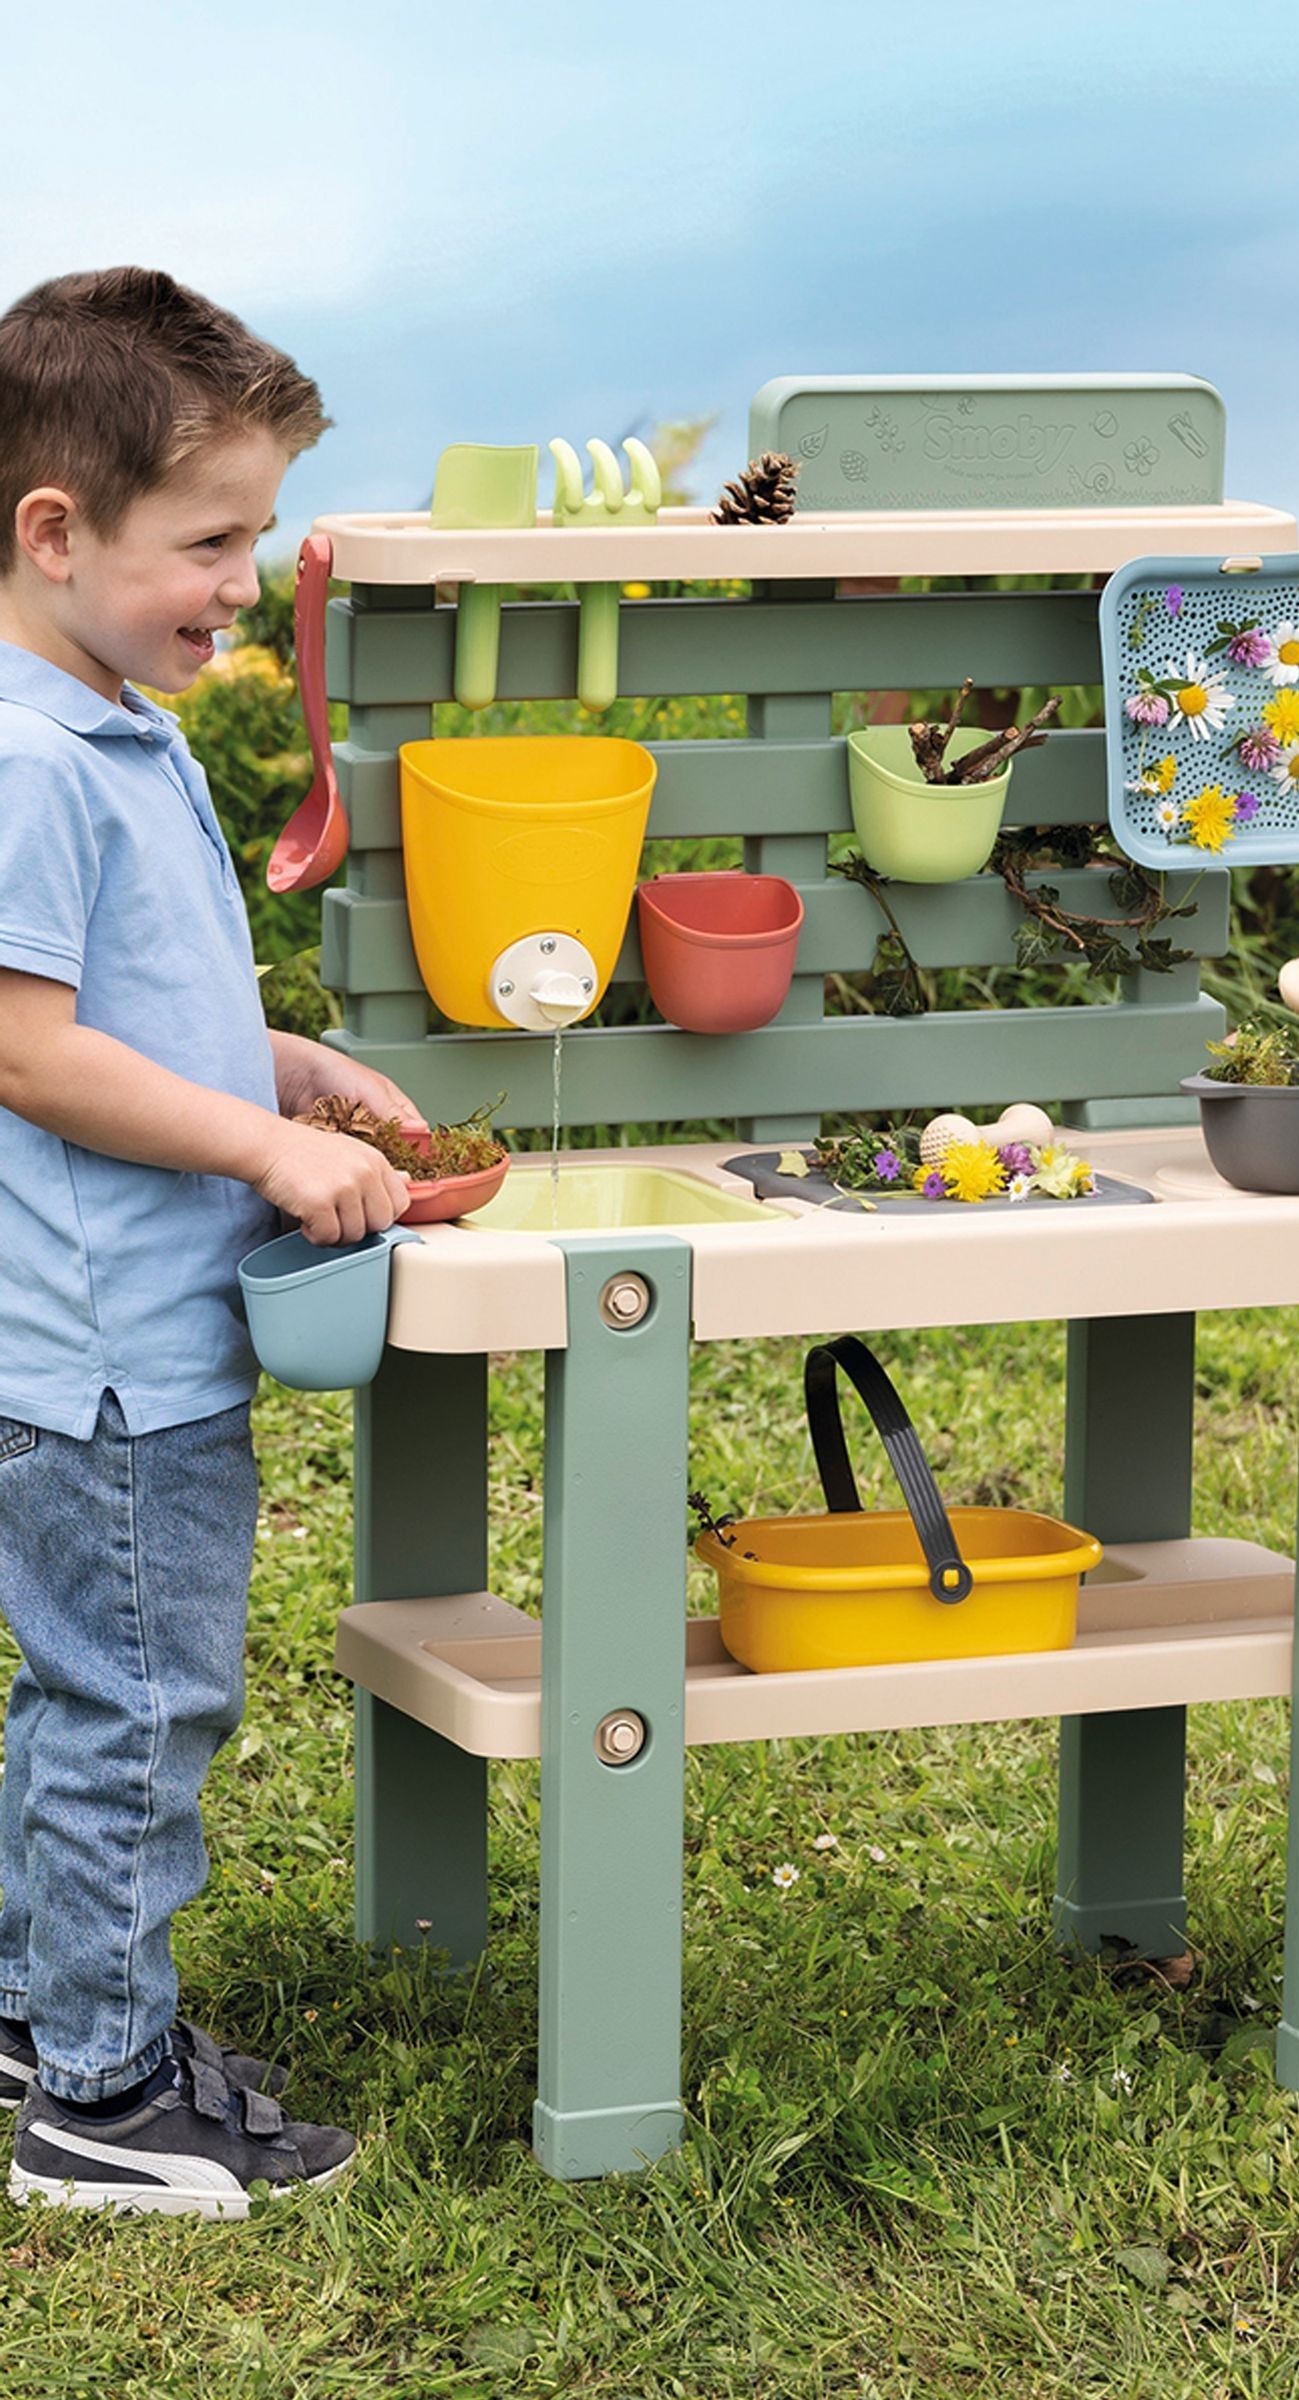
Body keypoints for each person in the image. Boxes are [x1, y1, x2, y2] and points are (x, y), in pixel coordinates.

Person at [0, 267, 424, 2216]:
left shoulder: (112, 718)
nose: (246, 581)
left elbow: (128, 1006)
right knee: (137, 1703)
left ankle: (39, 2007)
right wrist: (257, 1138)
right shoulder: (22, 757)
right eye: (214, 540)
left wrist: (289, 1063)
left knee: (87, 1691)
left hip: (118, 1331)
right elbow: (26, 1051)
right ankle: (100, 2097)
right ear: (55, 533)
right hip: (105, 1356)